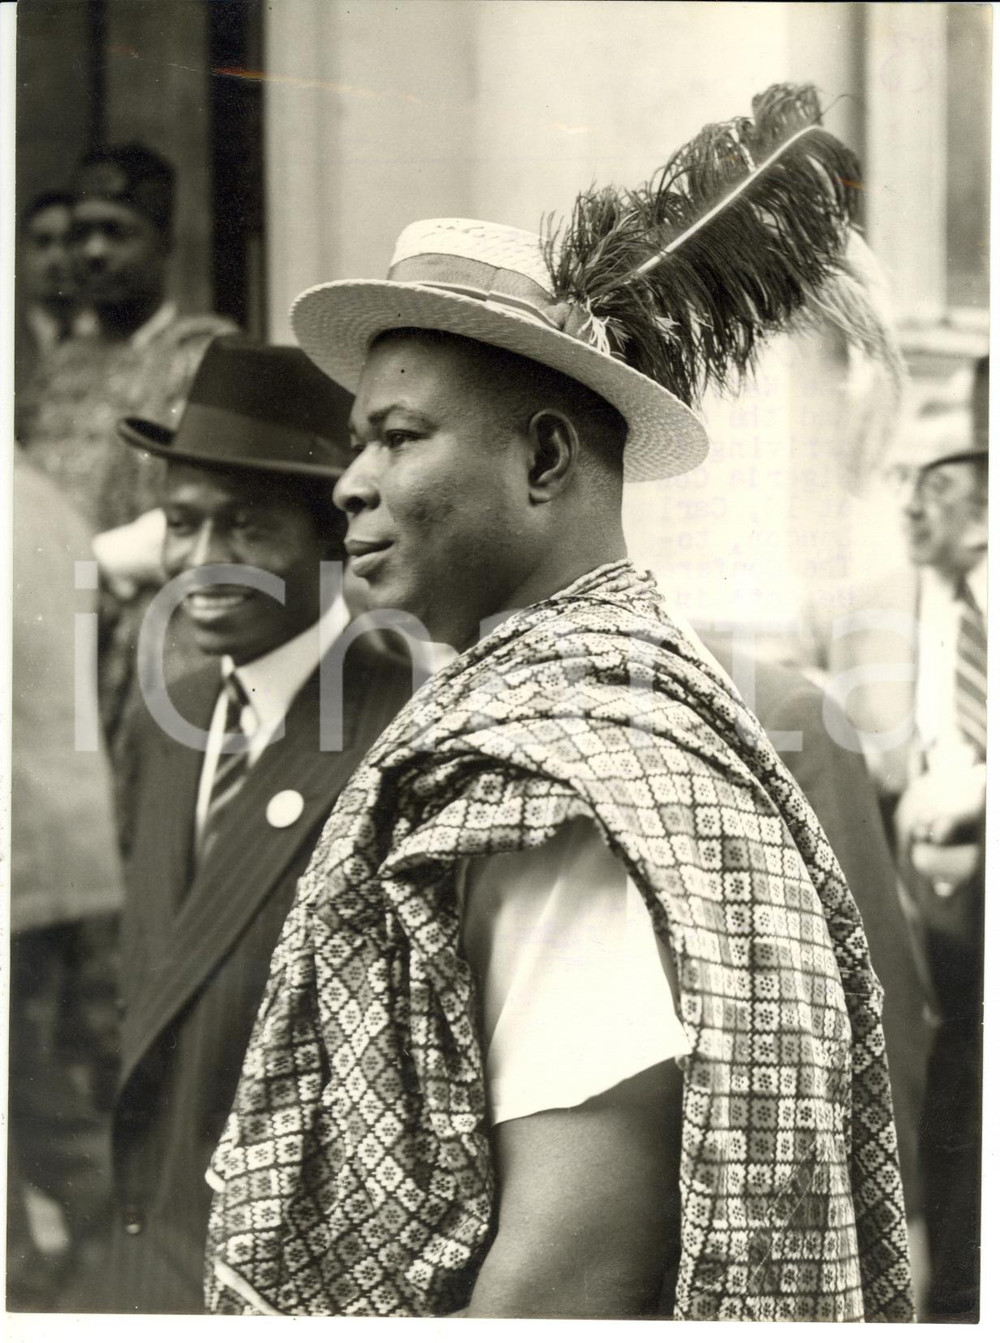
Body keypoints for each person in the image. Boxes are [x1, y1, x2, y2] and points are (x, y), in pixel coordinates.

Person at [206, 86, 913, 1321]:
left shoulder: (555, 783)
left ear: (542, 458)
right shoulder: (619, 725)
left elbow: (573, 1263)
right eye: (356, 445)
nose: (351, 488)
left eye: (397, 436)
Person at [97, 338, 415, 1313]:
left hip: (285, 1269)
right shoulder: (168, 712)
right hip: (149, 1256)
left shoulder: (397, 722)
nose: (201, 565)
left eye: (247, 528)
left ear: (329, 540)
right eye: (184, 526)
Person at [797, 356, 988, 1322]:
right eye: (906, 482)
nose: (915, 505)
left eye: (943, 483)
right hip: (905, 946)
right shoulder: (859, 608)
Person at [17, 143, 237, 745]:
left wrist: (81, 568)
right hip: (51, 623)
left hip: (154, 631)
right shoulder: (58, 366)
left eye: (116, 233)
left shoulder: (203, 353)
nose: (92, 251)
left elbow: (208, 509)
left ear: (164, 244)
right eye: (82, 233)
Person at [8, 451, 125, 1310]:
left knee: (21, 1070)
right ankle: (23, 1254)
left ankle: (108, 1209)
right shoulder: (50, 502)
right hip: (65, 826)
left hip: (23, 835)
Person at [13, 190, 93, 408]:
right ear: (20, 253)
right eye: (42, 242)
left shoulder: (115, 338)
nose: (57, 258)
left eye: (70, 242)